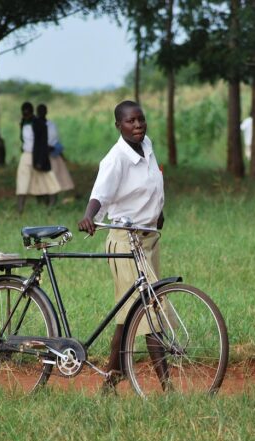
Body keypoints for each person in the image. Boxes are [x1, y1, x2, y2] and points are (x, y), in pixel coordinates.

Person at [78, 100, 168, 393]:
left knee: (127, 315)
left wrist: (158, 211)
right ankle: (168, 386)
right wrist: (89, 217)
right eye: (130, 121)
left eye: (141, 119)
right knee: (151, 308)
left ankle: (110, 378)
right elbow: (99, 194)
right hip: (124, 241)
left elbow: (152, 183)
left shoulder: (147, 145)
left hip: (148, 238)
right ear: (119, 126)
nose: (138, 125)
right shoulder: (115, 158)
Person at [16, 102, 60, 213]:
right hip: (26, 155)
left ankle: (51, 204)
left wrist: (40, 160)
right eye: (24, 114)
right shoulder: (23, 123)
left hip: (38, 155)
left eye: (28, 113)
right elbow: (24, 139)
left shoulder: (39, 124)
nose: (26, 116)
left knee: (48, 179)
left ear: (32, 112)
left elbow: (42, 143)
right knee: (22, 181)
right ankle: (20, 208)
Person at [36, 104, 75, 202]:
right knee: (41, 179)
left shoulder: (51, 125)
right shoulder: (34, 125)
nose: (42, 113)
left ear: (46, 112)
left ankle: (53, 201)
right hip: (40, 155)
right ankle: (42, 200)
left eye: (43, 110)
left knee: (54, 178)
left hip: (52, 155)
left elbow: (56, 140)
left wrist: (59, 152)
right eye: (40, 111)